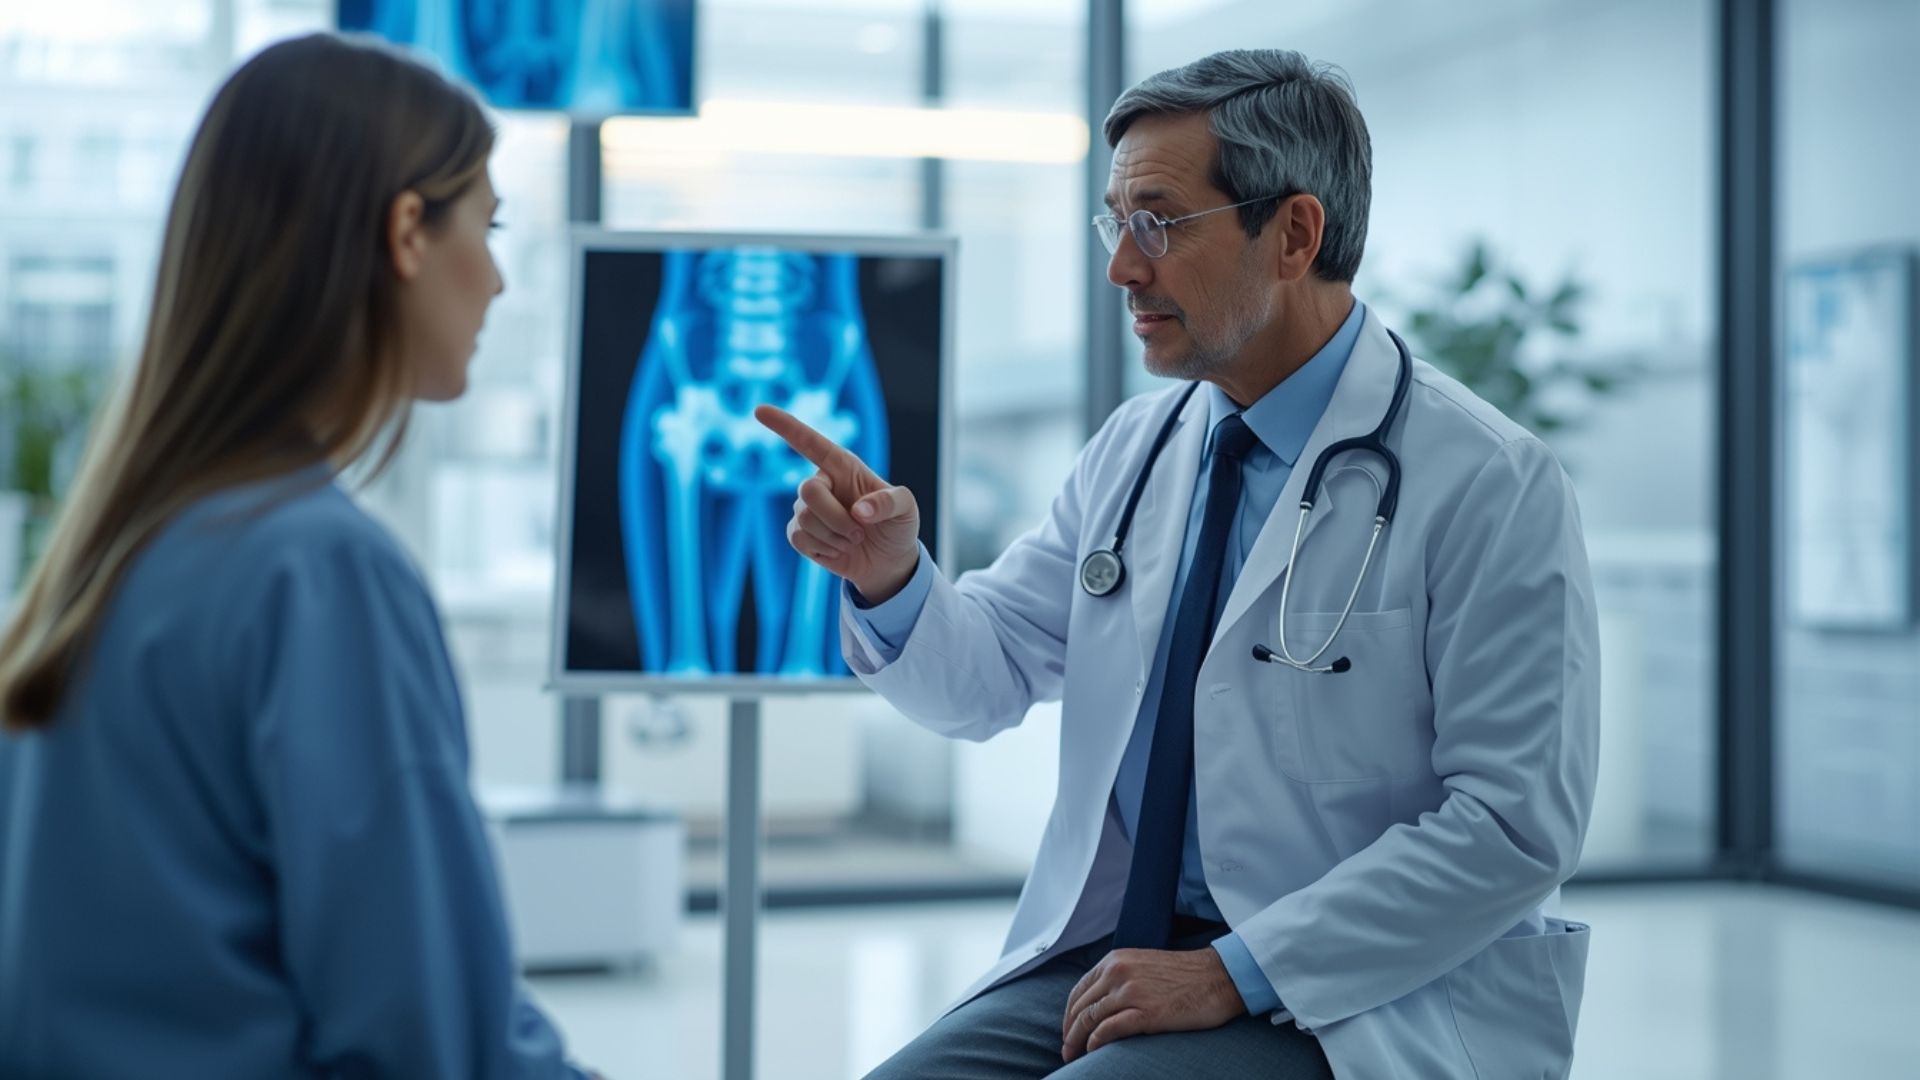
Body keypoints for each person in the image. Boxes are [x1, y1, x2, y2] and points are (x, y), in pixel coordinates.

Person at [757, 48, 1599, 1079]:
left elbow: (1512, 828)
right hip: (1123, 952)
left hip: (1358, 994)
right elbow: (980, 683)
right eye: (1116, 224)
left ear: (1293, 233)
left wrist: (1232, 974)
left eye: (1157, 222)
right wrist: (890, 576)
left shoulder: (1488, 481)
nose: (1121, 267)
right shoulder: (1138, 449)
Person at [0, 34, 592, 1079]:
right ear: (407, 231)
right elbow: (431, 1042)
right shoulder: (320, 575)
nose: (497, 280)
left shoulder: (111, 557)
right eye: (487, 226)